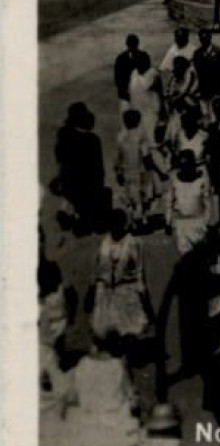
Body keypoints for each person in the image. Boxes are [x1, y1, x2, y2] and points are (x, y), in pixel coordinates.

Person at [88, 210, 152, 341]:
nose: (115, 228)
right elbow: (96, 270)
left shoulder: (133, 243)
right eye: (112, 225)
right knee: (105, 334)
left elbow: (139, 273)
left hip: (126, 293)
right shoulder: (103, 243)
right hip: (105, 295)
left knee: (126, 333)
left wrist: (145, 301)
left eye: (118, 224)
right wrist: (92, 291)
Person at [55, 102, 108, 232]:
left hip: (70, 179)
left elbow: (60, 157)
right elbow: (98, 165)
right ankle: (83, 218)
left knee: (75, 198)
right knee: (87, 201)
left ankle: (72, 214)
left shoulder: (65, 136)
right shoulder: (94, 140)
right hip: (88, 181)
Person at [166, 149, 215, 256]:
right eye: (182, 166)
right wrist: (168, 220)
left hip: (199, 223)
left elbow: (208, 202)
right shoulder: (174, 179)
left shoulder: (202, 179)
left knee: (200, 257)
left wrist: (208, 222)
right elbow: (169, 200)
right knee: (185, 257)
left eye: (187, 165)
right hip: (180, 224)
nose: (184, 168)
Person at [193, 29, 220, 103]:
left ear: (210, 38)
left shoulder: (219, 52)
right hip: (203, 87)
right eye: (202, 39)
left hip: (217, 86)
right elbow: (197, 69)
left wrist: (219, 82)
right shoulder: (197, 53)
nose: (204, 41)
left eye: (206, 38)